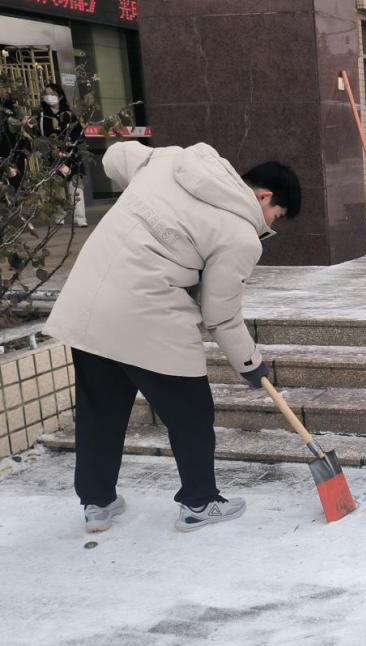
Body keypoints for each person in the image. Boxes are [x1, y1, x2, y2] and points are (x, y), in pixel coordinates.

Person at [44, 142, 301, 533]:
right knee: (191, 415)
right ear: (264, 195)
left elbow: (114, 157)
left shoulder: (172, 161)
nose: (270, 223)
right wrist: (251, 364)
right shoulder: (241, 235)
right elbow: (221, 315)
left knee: (100, 412)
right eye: (275, 214)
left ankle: (98, 503)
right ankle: (200, 502)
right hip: (151, 316)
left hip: (90, 304)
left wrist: (145, 169)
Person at [36, 82, 88, 228]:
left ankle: (80, 217)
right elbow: (40, 138)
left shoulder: (69, 114)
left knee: (76, 186)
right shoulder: (41, 116)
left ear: (59, 96)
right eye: (46, 93)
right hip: (53, 156)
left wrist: (73, 142)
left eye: (52, 93)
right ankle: (60, 216)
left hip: (72, 154)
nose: (49, 96)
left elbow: (79, 133)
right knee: (57, 187)